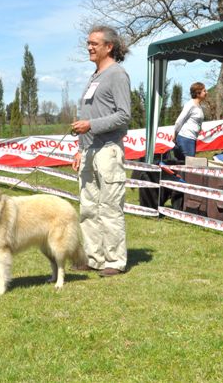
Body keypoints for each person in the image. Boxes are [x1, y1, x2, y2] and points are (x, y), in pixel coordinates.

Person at [71, 26, 131, 277]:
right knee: (88, 208)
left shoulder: (117, 74)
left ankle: (115, 261)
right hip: (88, 151)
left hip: (108, 150)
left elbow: (124, 116)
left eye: (94, 43)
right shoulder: (94, 76)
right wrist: (79, 149)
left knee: (109, 207)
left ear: (109, 47)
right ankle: (94, 258)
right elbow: (87, 115)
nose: (89, 47)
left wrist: (91, 125)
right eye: (88, 43)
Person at [173, 82, 207, 160]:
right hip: (185, 138)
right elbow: (179, 121)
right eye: (204, 91)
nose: (206, 93)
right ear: (198, 93)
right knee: (189, 163)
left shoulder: (199, 105)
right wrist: (175, 134)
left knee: (188, 163)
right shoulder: (190, 105)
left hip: (191, 138)